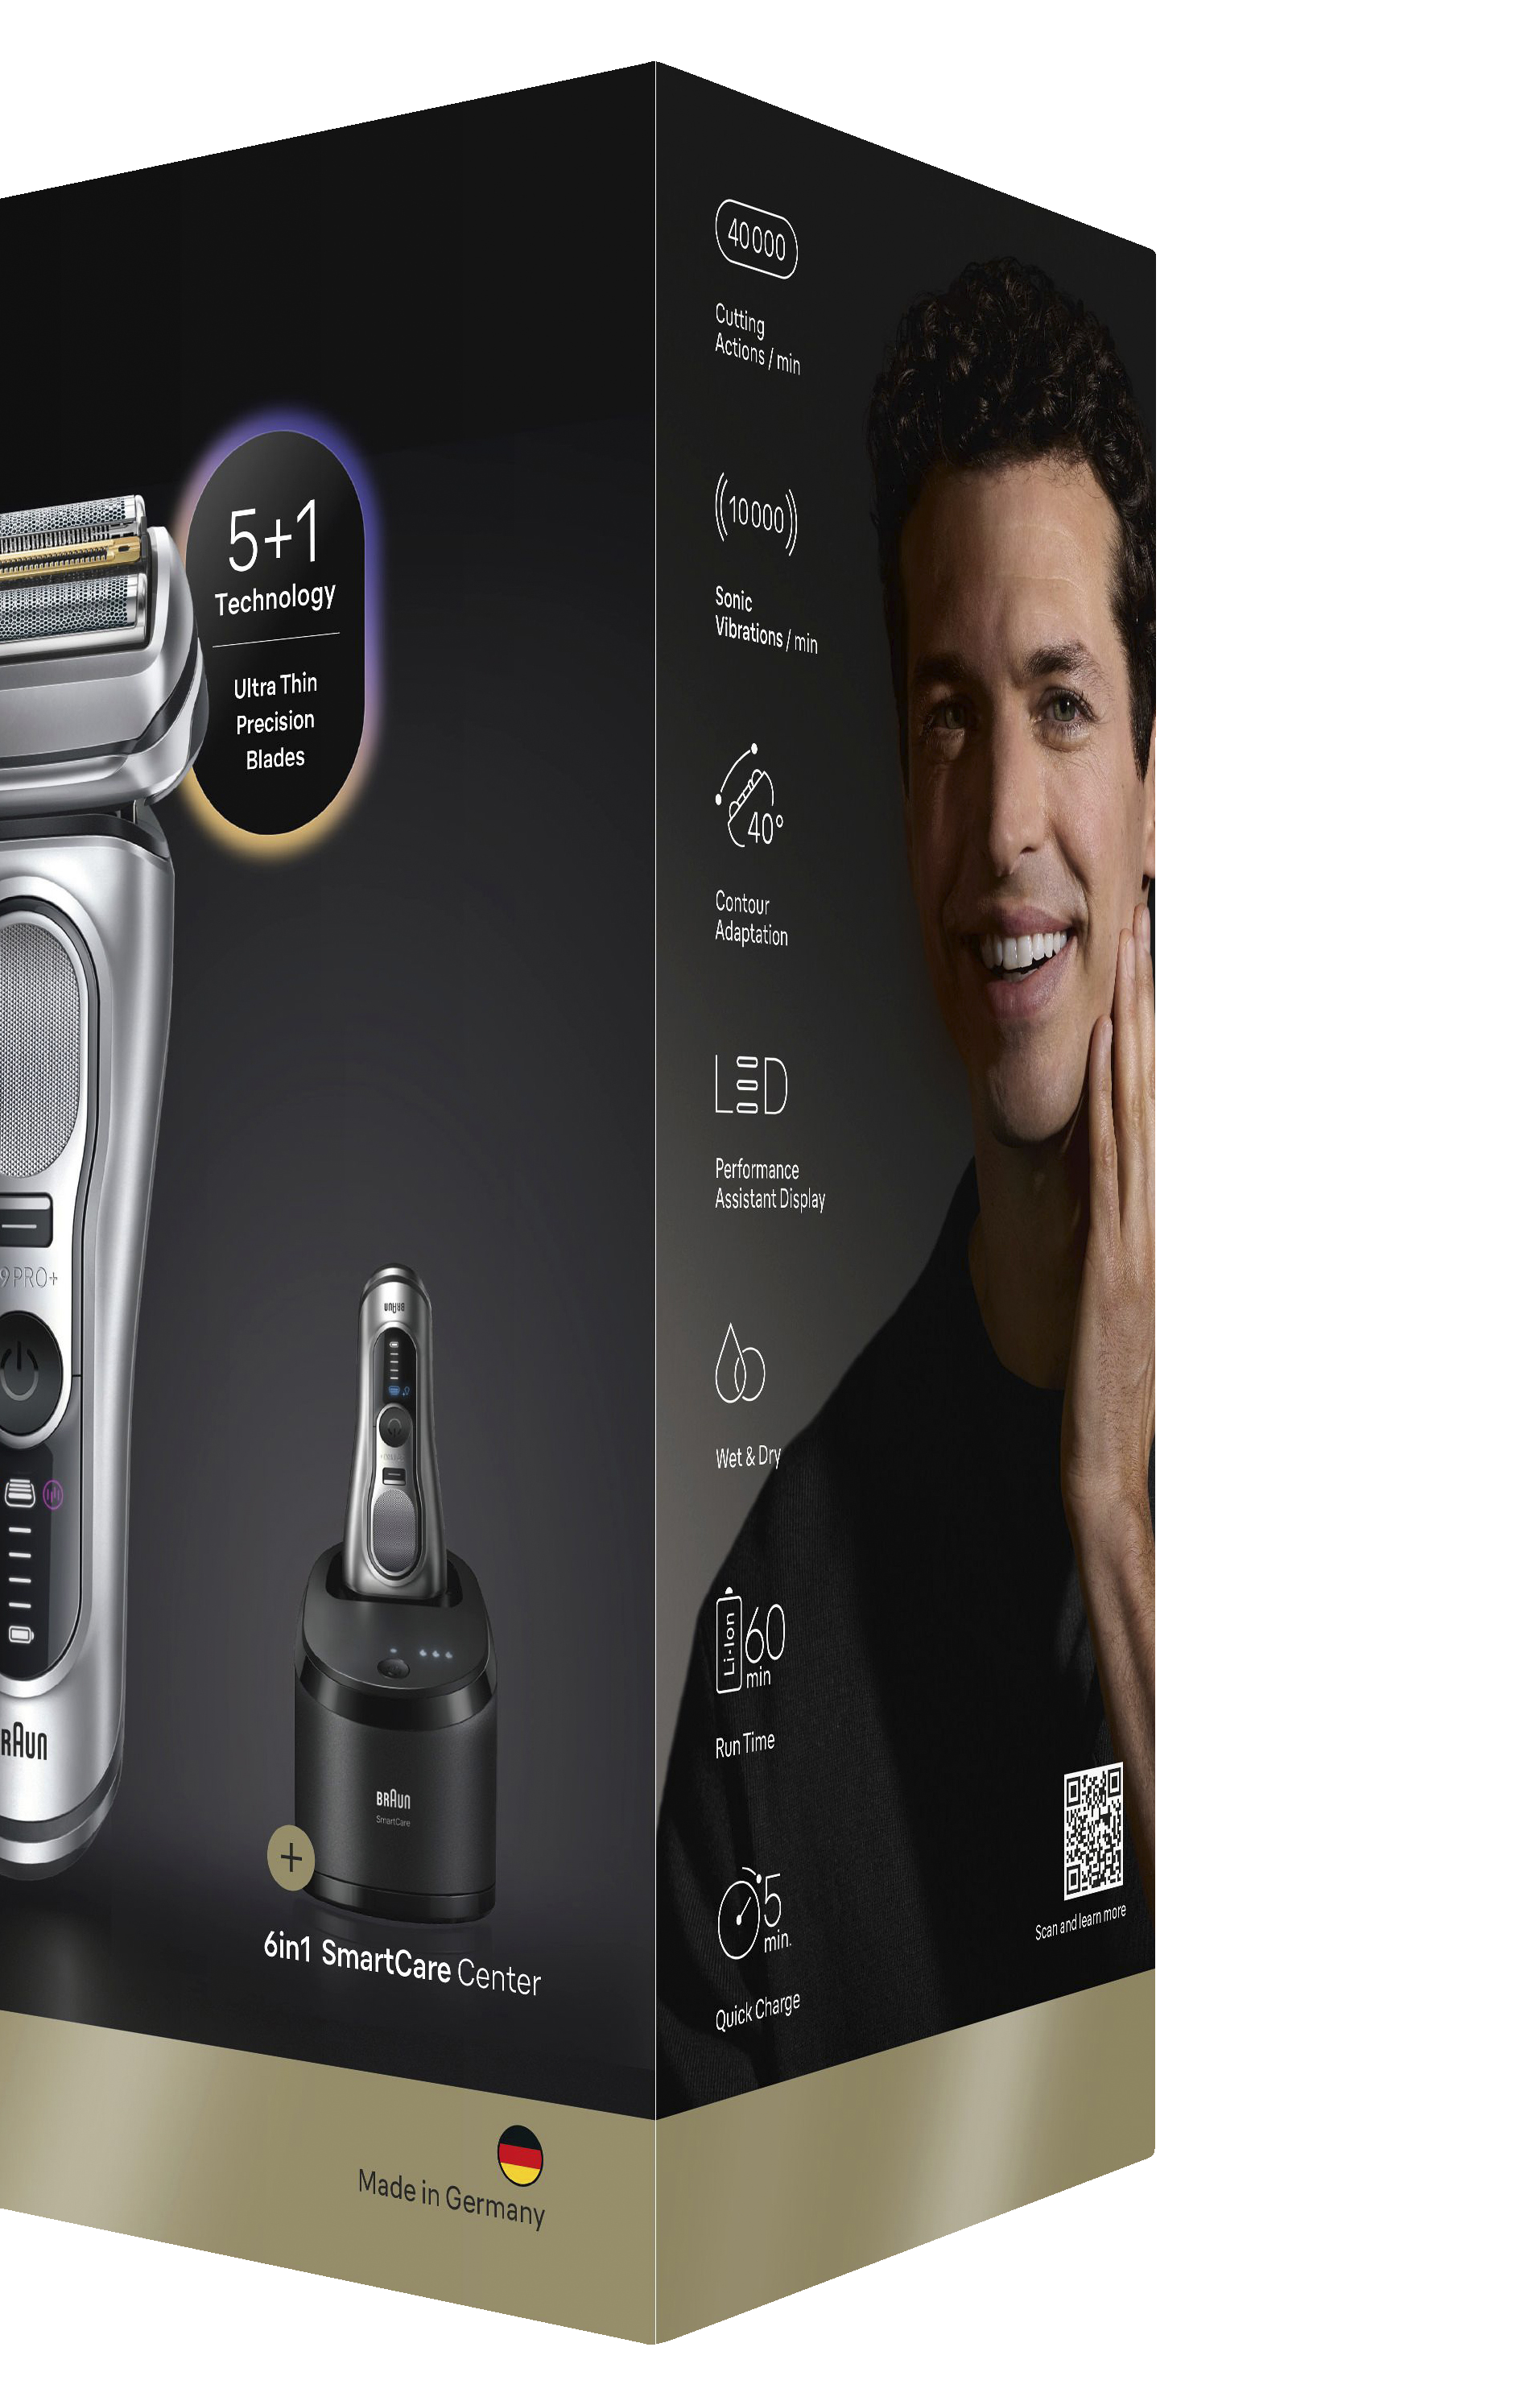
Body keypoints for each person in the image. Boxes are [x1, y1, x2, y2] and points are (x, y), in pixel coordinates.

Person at [659, 258, 1158, 2107]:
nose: (1003, 819)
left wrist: (1106, 1510)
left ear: (1160, 784)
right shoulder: (776, 1602)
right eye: (949, 715)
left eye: (1060, 704)